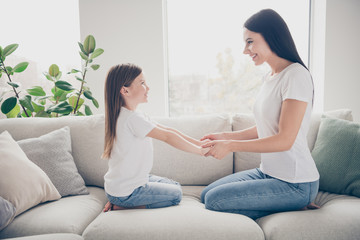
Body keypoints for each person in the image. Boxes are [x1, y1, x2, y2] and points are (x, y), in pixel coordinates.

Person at [200, 9, 320, 220]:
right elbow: (265, 128)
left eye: (250, 42)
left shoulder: (296, 75)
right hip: (268, 173)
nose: (246, 50)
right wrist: (224, 137)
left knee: (215, 201)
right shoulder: (270, 77)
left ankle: (294, 203)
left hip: (295, 182)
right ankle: (287, 205)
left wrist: (231, 146)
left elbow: (284, 140)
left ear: (271, 36)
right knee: (206, 194)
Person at [102, 63, 209, 212]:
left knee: (175, 186)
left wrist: (199, 144)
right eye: (142, 83)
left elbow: (168, 130)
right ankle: (121, 205)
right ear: (125, 90)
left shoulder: (132, 115)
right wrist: (200, 151)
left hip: (124, 185)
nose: (148, 87)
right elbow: (167, 136)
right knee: (176, 195)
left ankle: (119, 200)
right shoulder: (131, 119)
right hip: (127, 191)